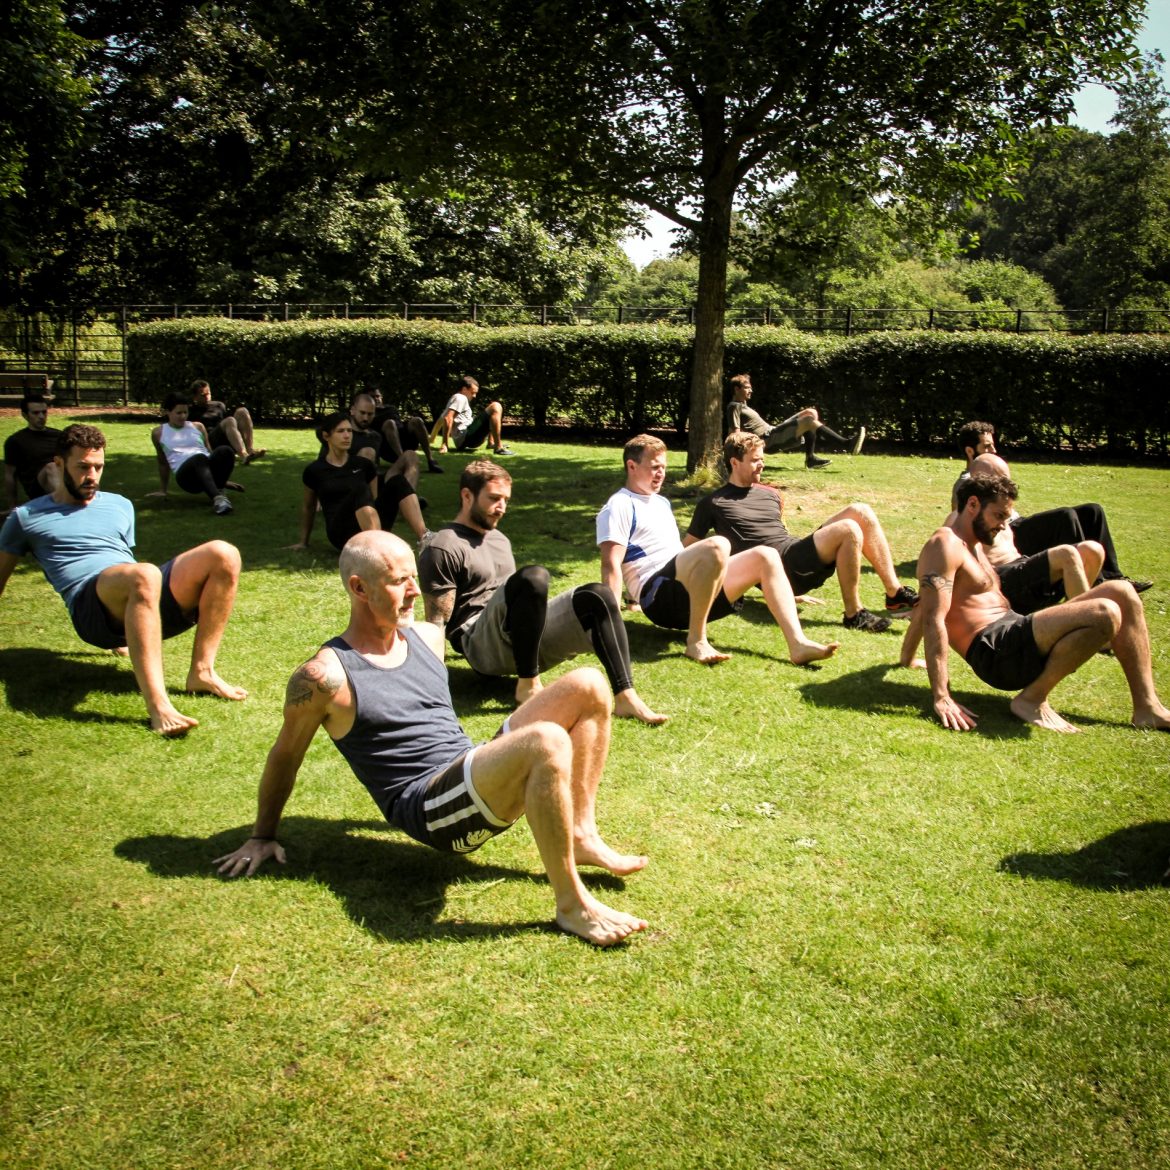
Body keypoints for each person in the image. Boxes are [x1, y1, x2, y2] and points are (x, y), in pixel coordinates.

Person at [213, 530, 648, 947]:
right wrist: (262, 835)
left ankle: (580, 834)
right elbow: (285, 755)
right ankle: (571, 904)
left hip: (470, 768)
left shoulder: (423, 637)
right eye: (399, 581)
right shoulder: (325, 677)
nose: (414, 592)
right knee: (547, 740)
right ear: (359, 588)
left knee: (589, 683)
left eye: (412, 579)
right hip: (429, 806)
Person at [0, 423, 246, 735]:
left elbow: (120, 560)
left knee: (223, 553)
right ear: (58, 464)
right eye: (83, 467)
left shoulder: (119, 505)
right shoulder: (26, 517)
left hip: (135, 591)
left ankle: (202, 672)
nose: (92, 476)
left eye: (99, 467)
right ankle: (159, 706)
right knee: (143, 573)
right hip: (91, 610)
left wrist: (127, 630)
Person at [899, 472, 1170, 734]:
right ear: (972, 504)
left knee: (1122, 592)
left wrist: (906, 658)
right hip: (995, 650)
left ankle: (1147, 707)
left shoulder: (974, 545)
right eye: (999, 515)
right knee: (1104, 611)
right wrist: (942, 696)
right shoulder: (943, 545)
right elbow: (933, 616)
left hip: (1012, 628)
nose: (1004, 525)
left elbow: (923, 607)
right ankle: (1031, 700)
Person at [419, 459, 668, 724]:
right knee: (533, 577)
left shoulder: (499, 539)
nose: (501, 508)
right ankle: (528, 686)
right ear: (467, 496)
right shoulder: (443, 545)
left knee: (598, 595)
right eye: (493, 498)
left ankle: (625, 696)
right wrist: (430, 690)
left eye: (505, 499)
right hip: (479, 642)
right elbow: (436, 623)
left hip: (520, 637)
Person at [596, 434, 838, 666]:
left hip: (683, 591)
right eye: (654, 467)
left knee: (766, 554)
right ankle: (696, 641)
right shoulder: (619, 505)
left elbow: (666, 553)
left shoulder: (660, 502)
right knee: (719, 543)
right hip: (660, 600)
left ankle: (798, 645)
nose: (661, 474)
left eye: (664, 467)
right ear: (631, 466)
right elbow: (612, 564)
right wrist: (611, 621)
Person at [686, 431, 919, 633]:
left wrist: (789, 592)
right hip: (781, 565)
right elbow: (688, 548)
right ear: (735, 463)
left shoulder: (771, 494)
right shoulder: (713, 503)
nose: (762, 464)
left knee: (861, 511)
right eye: (755, 460)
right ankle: (854, 614)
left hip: (794, 555)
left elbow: (779, 533)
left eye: (762, 459)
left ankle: (894, 592)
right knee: (848, 529)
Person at [952, 420, 1150, 592]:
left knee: (1093, 511)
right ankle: (1095, 583)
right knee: (1065, 516)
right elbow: (960, 517)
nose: (994, 451)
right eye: (987, 447)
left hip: (1018, 522)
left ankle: (1114, 577)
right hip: (1007, 531)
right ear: (970, 451)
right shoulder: (967, 481)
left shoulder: (990, 467)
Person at [962, 453, 1104, 616]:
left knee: (1093, 550)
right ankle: (1082, 622)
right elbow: (953, 556)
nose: (1007, 485)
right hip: (1002, 577)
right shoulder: (969, 513)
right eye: (1000, 480)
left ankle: (1067, 616)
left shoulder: (998, 507)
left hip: (1023, 567)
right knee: (1067, 554)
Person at [289, 412, 430, 552]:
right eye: (340, 431)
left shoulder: (364, 465)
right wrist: (303, 542)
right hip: (340, 533)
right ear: (326, 436)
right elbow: (308, 507)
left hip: (369, 525)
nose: (347, 435)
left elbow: (374, 501)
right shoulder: (315, 470)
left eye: (349, 431)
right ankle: (379, 549)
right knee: (360, 488)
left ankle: (424, 538)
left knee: (398, 481)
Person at [725, 373, 865, 470]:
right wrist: (732, 455)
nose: (751, 390)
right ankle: (846, 444)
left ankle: (810, 459)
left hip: (773, 430)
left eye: (750, 387)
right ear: (737, 389)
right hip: (768, 438)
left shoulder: (744, 406)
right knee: (809, 420)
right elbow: (735, 433)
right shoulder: (734, 407)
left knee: (811, 412)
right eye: (747, 388)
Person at [150, 391, 241, 515]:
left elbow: (209, 452)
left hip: (205, 468)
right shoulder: (158, 433)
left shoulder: (198, 426)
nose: (183, 416)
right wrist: (163, 490)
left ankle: (218, 488)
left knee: (226, 451)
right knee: (198, 458)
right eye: (178, 413)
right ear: (168, 412)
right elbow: (162, 462)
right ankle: (219, 500)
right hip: (186, 477)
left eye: (185, 412)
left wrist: (223, 479)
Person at [355, 384, 443, 474]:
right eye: (372, 397)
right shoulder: (368, 414)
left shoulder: (391, 408)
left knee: (417, 420)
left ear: (381, 397)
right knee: (390, 423)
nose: (376, 399)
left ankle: (430, 460)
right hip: (387, 447)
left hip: (404, 440)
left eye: (377, 396)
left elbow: (400, 424)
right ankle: (403, 460)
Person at [3, 394, 61, 514]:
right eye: (35, 413)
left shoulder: (59, 435)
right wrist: (12, 506)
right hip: (39, 487)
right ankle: (66, 504)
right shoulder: (16, 441)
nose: (41, 416)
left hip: (64, 476)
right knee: (52, 467)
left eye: (44, 412)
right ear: (25, 415)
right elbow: (10, 475)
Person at [188, 379, 265, 463]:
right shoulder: (190, 410)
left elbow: (229, 424)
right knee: (229, 420)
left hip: (225, 437)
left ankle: (250, 450)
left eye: (208, 393)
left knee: (242, 411)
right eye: (203, 395)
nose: (207, 397)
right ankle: (243, 455)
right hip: (209, 442)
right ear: (195, 397)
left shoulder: (219, 405)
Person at [435, 376, 513, 457]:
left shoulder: (457, 398)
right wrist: (444, 444)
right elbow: (448, 418)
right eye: (473, 392)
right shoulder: (460, 398)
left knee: (496, 409)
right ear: (464, 389)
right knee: (495, 406)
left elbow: (442, 418)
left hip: (467, 437)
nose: (474, 396)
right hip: (466, 436)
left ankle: (491, 443)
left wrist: (432, 438)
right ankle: (498, 448)